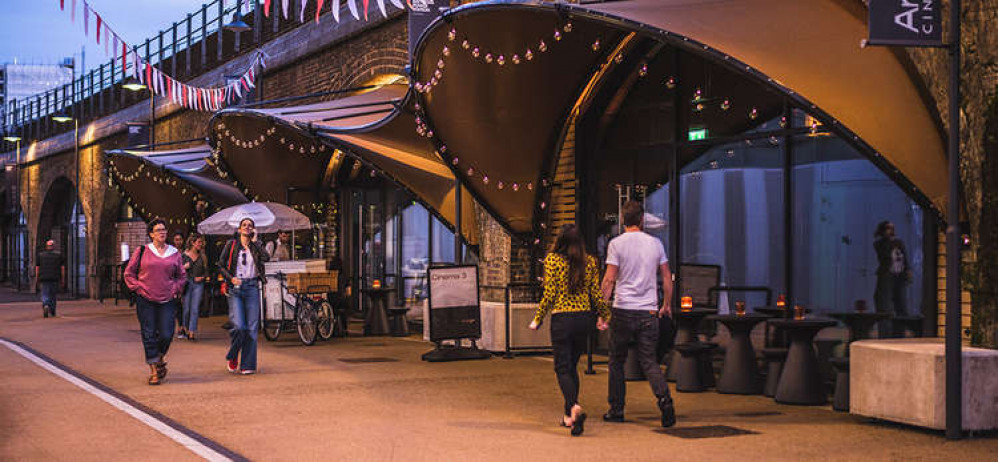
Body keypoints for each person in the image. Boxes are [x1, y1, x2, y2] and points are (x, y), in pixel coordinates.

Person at [599, 201, 676, 428]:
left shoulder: (616, 244)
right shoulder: (656, 244)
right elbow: (667, 277)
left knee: (616, 361)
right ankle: (665, 400)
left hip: (623, 309)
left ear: (623, 220)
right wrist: (666, 304)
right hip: (648, 310)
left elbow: (609, 279)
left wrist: (603, 311)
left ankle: (616, 409)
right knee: (649, 361)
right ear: (642, 220)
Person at [529, 224, 610, 436]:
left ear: (560, 240)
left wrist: (537, 319)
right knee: (572, 366)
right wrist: (604, 315)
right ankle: (569, 417)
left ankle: (574, 406)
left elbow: (550, 293)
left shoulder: (553, 261)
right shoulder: (590, 261)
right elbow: (596, 293)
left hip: (562, 319)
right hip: (584, 319)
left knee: (562, 368)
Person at [123, 219, 186, 386]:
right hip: (146, 298)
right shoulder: (142, 250)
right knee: (149, 333)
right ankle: (154, 371)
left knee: (166, 333)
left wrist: (176, 289)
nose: (162, 232)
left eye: (164, 229)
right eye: (158, 230)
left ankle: (159, 357)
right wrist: (137, 288)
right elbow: (129, 273)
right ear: (151, 234)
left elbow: (182, 276)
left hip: (167, 298)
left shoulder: (174, 253)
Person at [218, 217, 269, 375]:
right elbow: (220, 265)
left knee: (252, 328)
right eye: (244, 225)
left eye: (250, 226)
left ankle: (248, 365)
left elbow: (266, 258)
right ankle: (233, 355)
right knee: (240, 326)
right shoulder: (231, 245)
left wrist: (256, 242)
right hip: (236, 288)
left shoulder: (256, 245)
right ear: (239, 229)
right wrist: (230, 278)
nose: (247, 227)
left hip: (252, 287)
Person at [873, 220, 911, 337]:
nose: (892, 231)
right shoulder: (879, 244)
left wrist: (908, 271)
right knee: (885, 307)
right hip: (887, 277)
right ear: (883, 230)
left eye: (892, 228)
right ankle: (885, 334)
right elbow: (884, 256)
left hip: (899, 276)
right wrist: (889, 241)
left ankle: (899, 334)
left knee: (901, 307)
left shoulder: (899, 243)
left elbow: (904, 257)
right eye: (888, 228)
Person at [180, 233, 207, 341]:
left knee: (195, 308)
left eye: (202, 242)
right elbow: (176, 271)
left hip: (198, 284)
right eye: (199, 242)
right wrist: (183, 267)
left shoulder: (203, 256)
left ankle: (192, 332)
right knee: (186, 309)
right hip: (187, 283)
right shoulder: (183, 256)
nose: (201, 244)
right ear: (192, 243)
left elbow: (207, 271)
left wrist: (202, 277)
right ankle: (185, 328)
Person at [34, 239, 65, 318]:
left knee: (45, 293)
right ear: (53, 246)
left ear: (46, 246)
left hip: (44, 277)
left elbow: (37, 268)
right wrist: (62, 278)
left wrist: (37, 278)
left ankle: (45, 304)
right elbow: (62, 268)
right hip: (55, 277)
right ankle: (52, 310)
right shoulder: (59, 255)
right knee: (53, 294)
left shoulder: (40, 255)